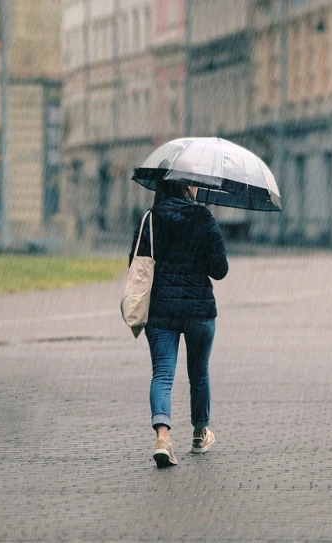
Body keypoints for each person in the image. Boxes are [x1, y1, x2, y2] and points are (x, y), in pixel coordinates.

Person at [129, 179, 229, 468]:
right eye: (194, 182)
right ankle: (200, 434)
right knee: (199, 373)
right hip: (199, 309)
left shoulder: (151, 218)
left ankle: (163, 438)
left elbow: (136, 261)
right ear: (186, 186)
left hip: (161, 310)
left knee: (162, 374)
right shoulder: (204, 217)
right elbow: (220, 270)